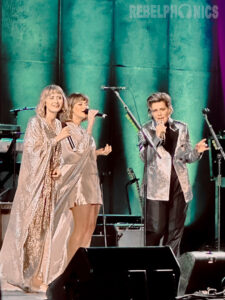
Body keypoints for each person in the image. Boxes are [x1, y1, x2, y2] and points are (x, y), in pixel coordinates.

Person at [0, 85, 71, 292]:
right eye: (52, 98)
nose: (57, 101)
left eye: (59, 97)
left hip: (49, 185)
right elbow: (32, 151)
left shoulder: (58, 124)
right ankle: (20, 273)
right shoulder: (35, 123)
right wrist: (55, 140)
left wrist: (57, 168)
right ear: (45, 102)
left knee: (43, 230)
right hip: (33, 185)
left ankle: (37, 275)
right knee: (28, 227)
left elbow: (57, 154)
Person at [138, 92, 209, 256]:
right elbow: (145, 157)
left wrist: (197, 152)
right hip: (156, 189)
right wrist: (156, 137)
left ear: (169, 109)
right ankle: (149, 267)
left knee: (175, 232)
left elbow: (185, 157)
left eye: (162, 109)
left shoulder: (181, 127)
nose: (159, 114)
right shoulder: (145, 129)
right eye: (154, 110)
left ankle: (170, 271)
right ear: (150, 112)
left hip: (178, 185)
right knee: (155, 230)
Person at [55, 93, 112, 265]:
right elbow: (74, 155)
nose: (85, 107)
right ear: (70, 107)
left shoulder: (81, 130)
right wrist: (92, 124)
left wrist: (98, 153)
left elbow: (85, 154)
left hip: (92, 179)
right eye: (80, 104)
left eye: (86, 103)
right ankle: (68, 270)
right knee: (80, 228)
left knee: (89, 228)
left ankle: (80, 267)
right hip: (78, 183)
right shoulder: (66, 128)